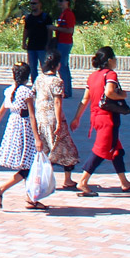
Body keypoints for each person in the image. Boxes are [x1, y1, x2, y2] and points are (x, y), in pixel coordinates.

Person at [70, 45, 130, 195]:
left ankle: (124, 182)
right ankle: (83, 181)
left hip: (96, 117)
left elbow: (85, 99)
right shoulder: (110, 74)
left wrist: (77, 118)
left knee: (116, 150)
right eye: (115, 58)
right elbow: (110, 93)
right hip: (108, 118)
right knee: (101, 150)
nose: (116, 61)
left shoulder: (92, 76)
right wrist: (123, 95)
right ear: (109, 60)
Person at [0, 61, 48, 211]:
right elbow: (32, 116)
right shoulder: (26, 92)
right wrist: (37, 138)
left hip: (13, 128)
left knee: (28, 165)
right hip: (24, 131)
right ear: (28, 76)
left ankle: (30, 198)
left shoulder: (9, 91)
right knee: (29, 165)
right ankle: (2, 189)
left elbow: (1, 112)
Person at [35, 49, 80, 189]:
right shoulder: (57, 81)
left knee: (46, 149)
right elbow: (57, 102)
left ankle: (44, 179)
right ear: (57, 65)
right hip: (53, 120)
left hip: (40, 118)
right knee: (68, 150)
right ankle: (67, 179)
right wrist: (59, 123)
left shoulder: (39, 79)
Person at [22, 0, 53, 84]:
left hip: (42, 47)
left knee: (45, 67)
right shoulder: (29, 17)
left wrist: (49, 44)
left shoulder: (45, 17)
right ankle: (35, 85)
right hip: (31, 46)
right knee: (32, 68)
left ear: (40, 4)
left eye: (35, 3)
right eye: (31, 3)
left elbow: (50, 31)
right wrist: (24, 42)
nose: (33, 5)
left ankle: (46, 85)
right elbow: (26, 30)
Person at [54, 0, 77, 97]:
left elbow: (70, 30)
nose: (59, 3)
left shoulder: (69, 14)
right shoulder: (62, 14)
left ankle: (66, 91)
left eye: (61, 1)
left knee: (62, 67)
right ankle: (66, 90)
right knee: (64, 67)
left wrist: (55, 28)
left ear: (67, 2)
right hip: (60, 42)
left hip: (65, 42)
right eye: (58, 1)